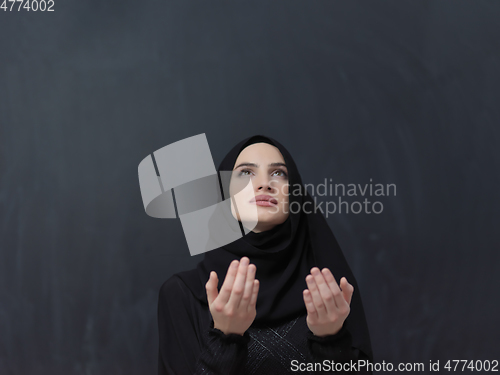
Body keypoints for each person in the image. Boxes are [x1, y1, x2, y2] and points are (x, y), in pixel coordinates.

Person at [157, 135, 373, 374]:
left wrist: (330, 340)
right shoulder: (183, 294)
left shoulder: (328, 292)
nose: (264, 183)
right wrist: (225, 338)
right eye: (246, 173)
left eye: (279, 173)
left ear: (295, 194)